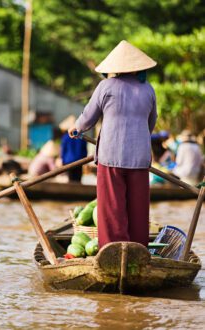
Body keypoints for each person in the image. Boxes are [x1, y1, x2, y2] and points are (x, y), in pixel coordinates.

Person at [68, 40, 157, 248]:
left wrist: (76, 129)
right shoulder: (148, 90)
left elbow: (88, 117)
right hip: (140, 158)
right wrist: (138, 141)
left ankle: (113, 250)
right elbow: (151, 122)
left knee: (112, 207)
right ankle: (137, 249)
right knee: (138, 207)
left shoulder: (106, 86)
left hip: (111, 157)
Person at [60, 115, 88, 182]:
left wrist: (63, 161)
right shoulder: (81, 137)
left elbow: (63, 151)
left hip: (69, 162)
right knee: (78, 180)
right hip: (79, 161)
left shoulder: (65, 137)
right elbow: (84, 150)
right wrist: (84, 160)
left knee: (71, 180)